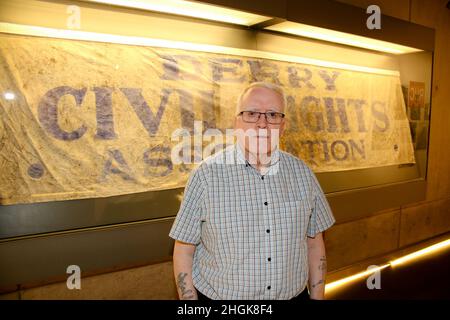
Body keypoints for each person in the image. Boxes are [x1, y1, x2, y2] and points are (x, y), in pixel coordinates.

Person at [169, 82, 335, 300]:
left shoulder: (303, 174)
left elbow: (314, 244)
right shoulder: (206, 176)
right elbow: (184, 249)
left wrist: (317, 297)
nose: (262, 124)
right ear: (237, 122)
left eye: (273, 115)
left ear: (283, 125)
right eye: (252, 113)